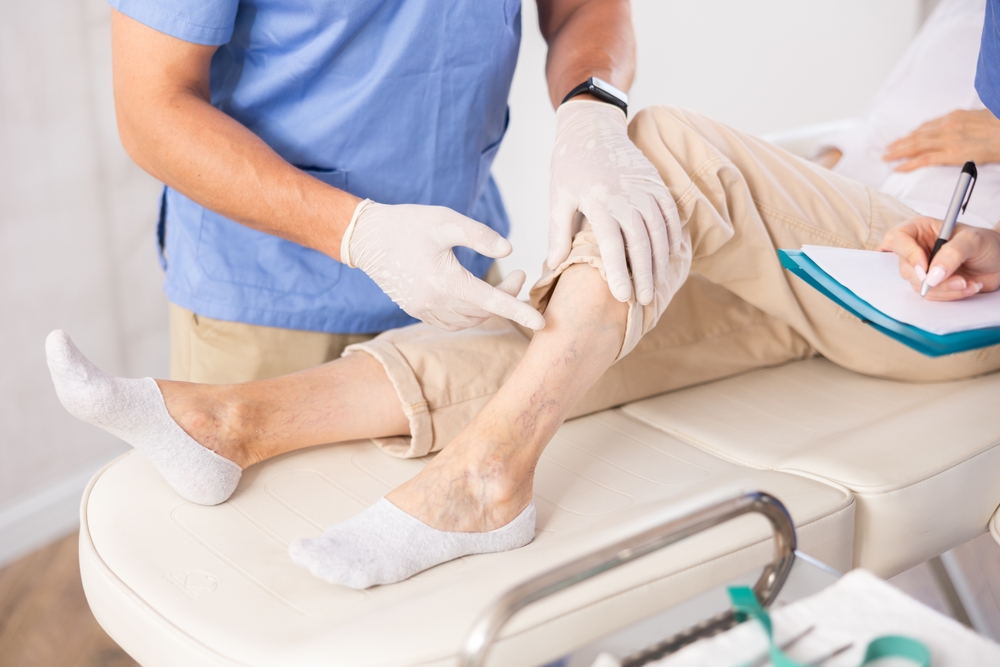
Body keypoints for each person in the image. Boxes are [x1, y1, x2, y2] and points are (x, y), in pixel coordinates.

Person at [47, 104, 1000, 589]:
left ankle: (488, 476)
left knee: (663, 144)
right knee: (594, 309)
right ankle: (232, 423)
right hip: (856, 260)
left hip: (952, 286)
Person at [109, 0, 673, 384]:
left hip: (463, 277)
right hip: (268, 301)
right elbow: (150, 108)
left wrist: (592, 109)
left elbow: (583, 7)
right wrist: (361, 233)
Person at [815, 0, 1000, 229]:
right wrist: (806, 182)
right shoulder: (963, 10)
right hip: (847, 201)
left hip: (942, 230)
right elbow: (873, 126)